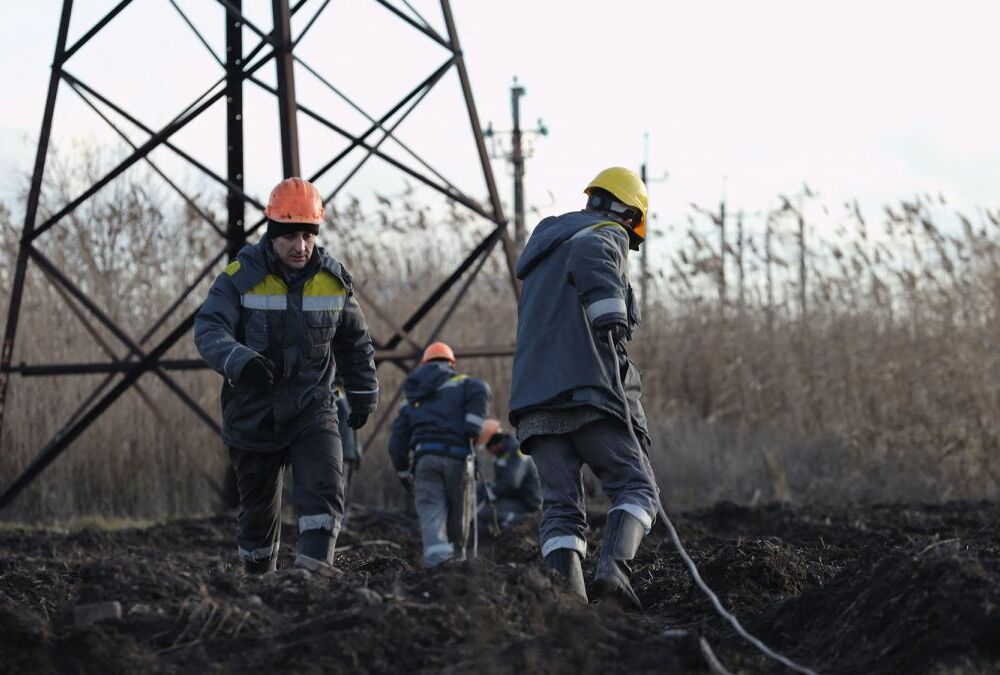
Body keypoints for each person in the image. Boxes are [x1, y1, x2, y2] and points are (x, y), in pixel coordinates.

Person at [195, 177, 378, 574]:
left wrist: (363, 394)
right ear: (272, 234)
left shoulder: (333, 280)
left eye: (308, 235)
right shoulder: (239, 277)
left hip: (313, 407)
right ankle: (260, 586)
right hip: (253, 414)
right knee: (258, 518)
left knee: (324, 489)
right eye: (290, 236)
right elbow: (209, 330)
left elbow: (355, 343)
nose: (300, 246)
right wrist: (240, 360)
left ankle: (311, 580)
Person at [509, 167, 659, 609]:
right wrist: (609, 310)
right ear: (628, 213)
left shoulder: (546, 248)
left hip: (534, 401)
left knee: (559, 507)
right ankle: (614, 575)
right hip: (586, 392)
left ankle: (571, 602)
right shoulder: (603, 233)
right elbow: (595, 254)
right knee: (637, 488)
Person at [388, 342, 491, 567]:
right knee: (460, 513)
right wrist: (473, 427)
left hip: (425, 460)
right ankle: (459, 563)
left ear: (425, 364)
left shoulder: (412, 397)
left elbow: (397, 441)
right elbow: (482, 390)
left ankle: (438, 566)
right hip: (459, 458)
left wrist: (404, 471)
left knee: (431, 511)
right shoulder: (466, 384)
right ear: (451, 362)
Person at [476, 424, 542, 533]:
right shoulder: (501, 454)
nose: (488, 451)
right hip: (511, 498)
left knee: (485, 512)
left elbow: (512, 482)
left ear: (493, 442)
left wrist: (492, 492)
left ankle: (526, 520)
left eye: (488, 447)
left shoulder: (517, 451)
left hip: (526, 502)